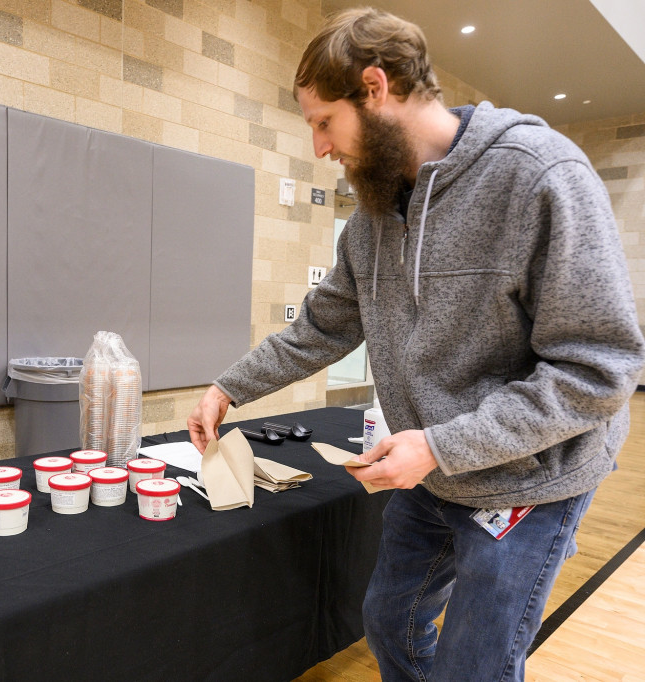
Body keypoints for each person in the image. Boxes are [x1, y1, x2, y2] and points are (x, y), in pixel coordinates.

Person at [188, 8, 644, 681]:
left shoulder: (539, 176)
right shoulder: (372, 215)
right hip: (433, 471)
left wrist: (438, 445)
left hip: (531, 480)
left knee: (474, 665)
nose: (318, 147)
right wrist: (230, 387)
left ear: (375, 88)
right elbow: (321, 327)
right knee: (389, 622)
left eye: (323, 122)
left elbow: (598, 371)